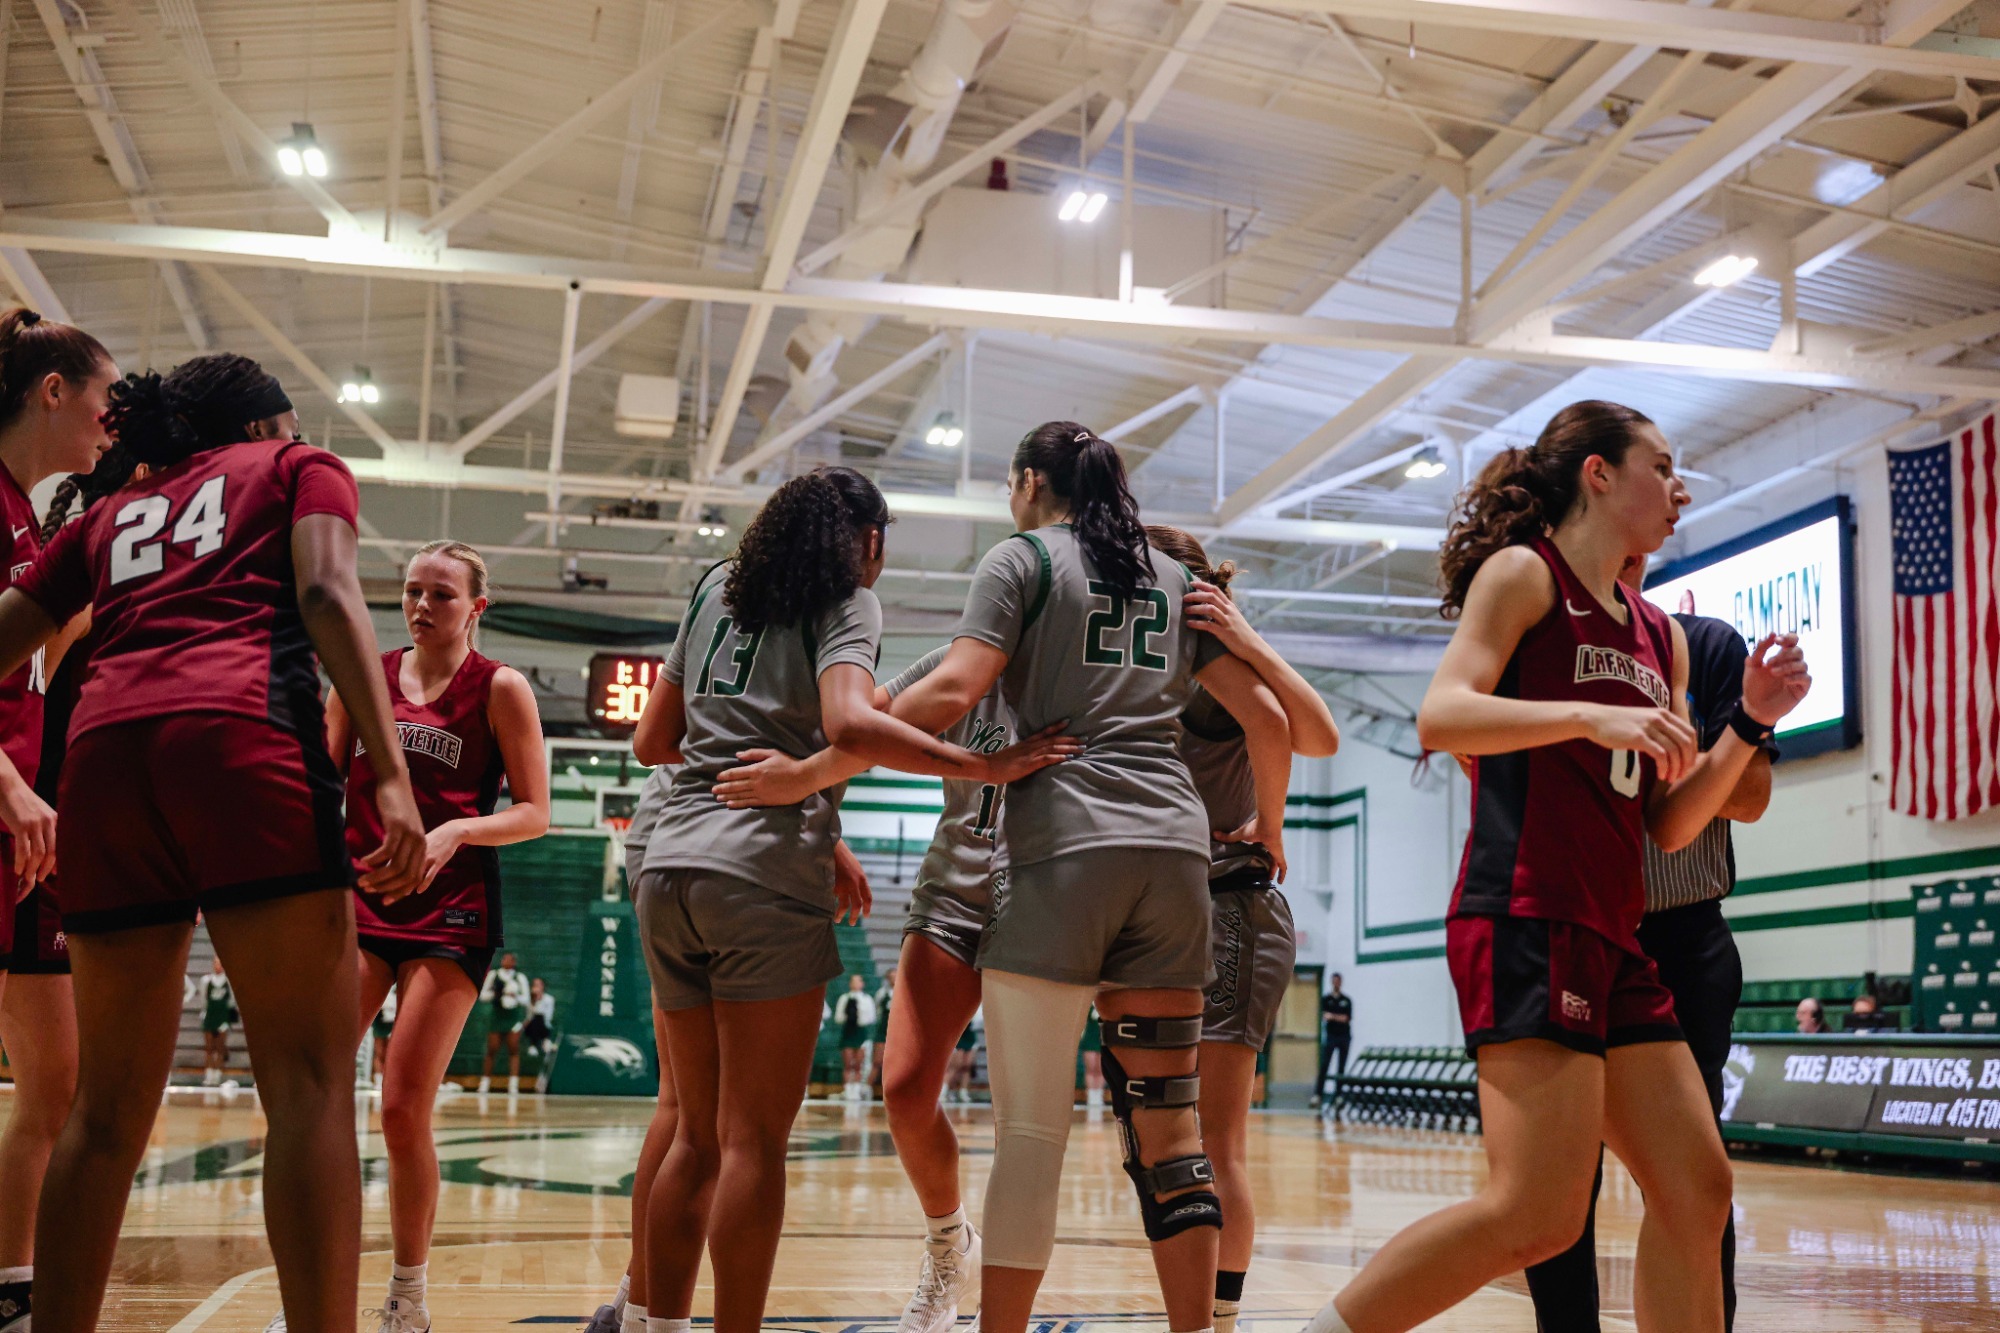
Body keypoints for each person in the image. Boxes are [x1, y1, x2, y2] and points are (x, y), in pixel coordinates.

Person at [1302, 400, 1809, 1333]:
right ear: (1599, 474)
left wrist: (1751, 723)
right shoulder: (1523, 576)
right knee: (1533, 1214)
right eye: (1661, 465)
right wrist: (1586, 715)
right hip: (1526, 911)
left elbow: (1669, 824)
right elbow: (1442, 715)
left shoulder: (1661, 637)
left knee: (1697, 1190)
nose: (1680, 485)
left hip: (1614, 934)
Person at [0, 352, 426, 1332]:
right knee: (312, 1091)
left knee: (101, 1115)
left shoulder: (108, 515)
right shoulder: (295, 467)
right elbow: (325, 592)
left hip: (103, 766)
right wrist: (390, 774)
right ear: (271, 422)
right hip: (242, 743)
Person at [626, 465, 1072, 1333]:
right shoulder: (846, 599)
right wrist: (984, 765)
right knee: (752, 1140)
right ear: (864, 541)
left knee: (691, 1133)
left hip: (670, 865)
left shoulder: (715, 585)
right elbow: (853, 726)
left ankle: (651, 1322)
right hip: (760, 873)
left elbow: (652, 739)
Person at [877, 422, 1292, 1333]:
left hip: (1065, 848)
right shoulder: (1173, 575)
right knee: (1174, 1135)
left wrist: (849, 743)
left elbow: (951, 692)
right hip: (1175, 857)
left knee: (1031, 1135)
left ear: (1029, 482)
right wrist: (1273, 824)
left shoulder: (1023, 558)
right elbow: (1270, 715)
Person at [1524, 555, 1780, 1333]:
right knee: (1558, 1178)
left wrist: (1704, 743)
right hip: (1571, 924)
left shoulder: (1704, 644)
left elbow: (1754, 796)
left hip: (1682, 931)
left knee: (1696, 1171)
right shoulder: (1546, 646)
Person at [327, 538, 551, 1332]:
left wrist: (457, 828)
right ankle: (316, 1294)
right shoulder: (363, 674)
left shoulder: (501, 688)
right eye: (413, 591)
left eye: (442, 595)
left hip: (450, 914)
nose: (423, 605)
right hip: (359, 903)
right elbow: (324, 787)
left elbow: (535, 812)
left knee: (400, 1105)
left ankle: (408, 1294)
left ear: (477, 608)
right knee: (314, 1095)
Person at [1146, 525, 1342, 1333]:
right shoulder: (1141, 667)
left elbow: (1312, 732)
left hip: (1234, 905)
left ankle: (1219, 1321)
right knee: (1173, 1137)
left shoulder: (1209, 672)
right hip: (1173, 910)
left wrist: (1274, 822)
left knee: (1215, 1139)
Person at [0, 348, 124, 1331]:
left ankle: (15, 1278)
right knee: (57, 1088)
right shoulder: (60, 601)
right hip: (30, 833)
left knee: (56, 1085)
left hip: (44, 849)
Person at [480, 950, 532, 1092]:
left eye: (509, 959)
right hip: (497, 1015)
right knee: (492, 1049)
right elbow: (483, 995)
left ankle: (513, 1084)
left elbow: (526, 999)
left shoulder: (520, 978)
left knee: (513, 1049)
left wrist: (514, 996)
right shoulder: (493, 975)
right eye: (504, 959)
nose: (506, 961)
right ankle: (485, 1083)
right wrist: (499, 994)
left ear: (514, 962)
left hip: (513, 1017)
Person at [833, 973, 879, 1101]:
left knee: (858, 1064)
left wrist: (859, 1014)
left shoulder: (866, 999)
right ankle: (848, 1091)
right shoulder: (844, 998)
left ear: (862, 984)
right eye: (853, 981)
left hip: (861, 1032)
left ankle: (857, 1091)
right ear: (850, 984)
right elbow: (838, 1017)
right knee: (848, 1063)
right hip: (848, 1031)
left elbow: (871, 1018)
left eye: (858, 981)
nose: (856, 983)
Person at [199, 958, 237, 1087]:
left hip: (223, 1017)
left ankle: (217, 1075)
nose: (218, 966)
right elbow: (204, 998)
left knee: (220, 1047)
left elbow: (232, 1000)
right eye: (216, 963)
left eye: (220, 963)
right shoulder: (206, 980)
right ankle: (208, 1075)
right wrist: (204, 1013)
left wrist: (228, 1018)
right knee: (209, 1047)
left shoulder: (228, 981)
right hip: (210, 1015)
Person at [1316, 975, 1353, 1107]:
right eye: (1334, 981)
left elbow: (1346, 1018)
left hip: (1344, 1037)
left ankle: (1338, 1096)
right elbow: (1324, 1016)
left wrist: (1332, 1016)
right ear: (1332, 982)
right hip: (1331, 1036)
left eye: (1338, 981)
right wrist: (1334, 1017)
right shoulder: (1326, 999)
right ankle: (1318, 1095)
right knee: (1325, 1065)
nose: (1336, 983)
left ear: (1341, 982)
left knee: (1341, 1067)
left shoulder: (1346, 1000)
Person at [524, 977, 557, 1086]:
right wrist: (534, 1000)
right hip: (531, 1027)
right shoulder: (529, 1000)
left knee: (539, 1018)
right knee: (535, 1018)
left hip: (544, 1026)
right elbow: (529, 1016)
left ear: (543, 987)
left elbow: (548, 1017)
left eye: (539, 985)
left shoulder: (549, 999)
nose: (537, 987)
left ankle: (542, 1041)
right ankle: (537, 1043)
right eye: (535, 985)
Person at [370, 987, 397, 1090]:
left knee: (389, 1053)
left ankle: (387, 1080)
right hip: (380, 1022)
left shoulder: (397, 991)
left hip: (392, 1023)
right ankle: (378, 1080)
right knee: (379, 1052)